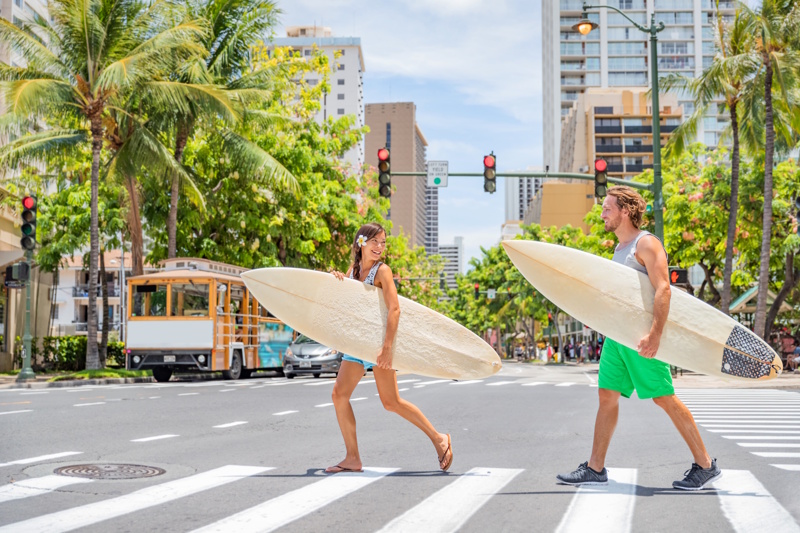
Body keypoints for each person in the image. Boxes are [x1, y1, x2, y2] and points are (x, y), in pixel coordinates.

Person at [556, 186, 721, 490]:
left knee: (663, 397)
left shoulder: (646, 244)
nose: (602, 213)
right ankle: (595, 468)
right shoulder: (620, 249)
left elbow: (663, 289)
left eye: (608, 208)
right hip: (617, 338)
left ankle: (705, 464)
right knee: (606, 395)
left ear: (625, 211)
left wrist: (655, 335)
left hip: (642, 338)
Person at [326, 222, 453, 473]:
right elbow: (344, 303)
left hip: (378, 343)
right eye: (375, 242)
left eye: (383, 243)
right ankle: (352, 457)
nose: (380, 247)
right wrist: (336, 280)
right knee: (339, 395)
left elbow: (394, 309)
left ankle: (439, 439)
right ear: (361, 243)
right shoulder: (352, 270)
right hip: (357, 343)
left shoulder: (382, 271)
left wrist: (387, 348)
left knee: (391, 402)